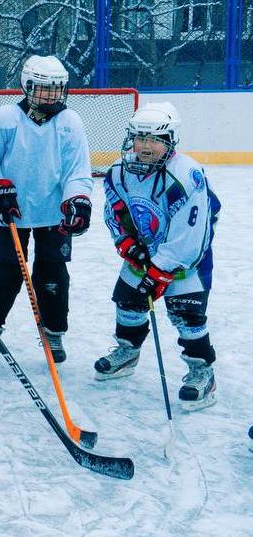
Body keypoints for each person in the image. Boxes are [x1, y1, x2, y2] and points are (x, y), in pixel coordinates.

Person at [94, 103, 222, 410]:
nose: (145, 146)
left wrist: (160, 269)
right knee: (128, 302)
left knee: (186, 316)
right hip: (143, 254)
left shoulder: (187, 174)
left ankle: (202, 371)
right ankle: (127, 352)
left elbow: (189, 236)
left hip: (185, 261)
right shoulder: (119, 171)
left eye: (154, 139)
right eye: (139, 138)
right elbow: (116, 212)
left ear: (170, 141)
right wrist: (127, 245)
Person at [0, 55, 93, 364]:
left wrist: (77, 199)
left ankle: (53, 332)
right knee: (6, 274)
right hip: (11, 213)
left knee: (53, 275)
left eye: (57, 89)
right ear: (26, 86)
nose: (51, 95)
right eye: (43, 89)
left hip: (54, 215)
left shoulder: (70, 123)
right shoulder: (5, 119)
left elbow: (77, 171)